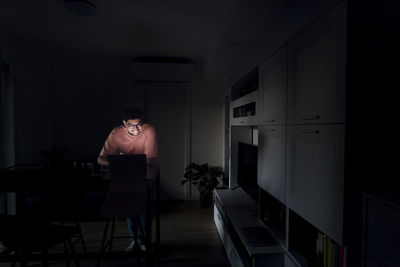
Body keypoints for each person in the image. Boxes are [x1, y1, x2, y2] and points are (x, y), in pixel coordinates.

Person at [97, 107, 157, 251]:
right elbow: (100, 159)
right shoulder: (116, 133)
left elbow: (147, 160)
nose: (136, 129)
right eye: (131, 125)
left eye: (139, 124)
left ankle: (143, 241)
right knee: (129, 207)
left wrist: (122, 165)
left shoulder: (149, 131)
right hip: (124, 177)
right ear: (124, 124)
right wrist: (116, 164)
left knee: (143, 207)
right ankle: (135, 240)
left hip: (143, 176)